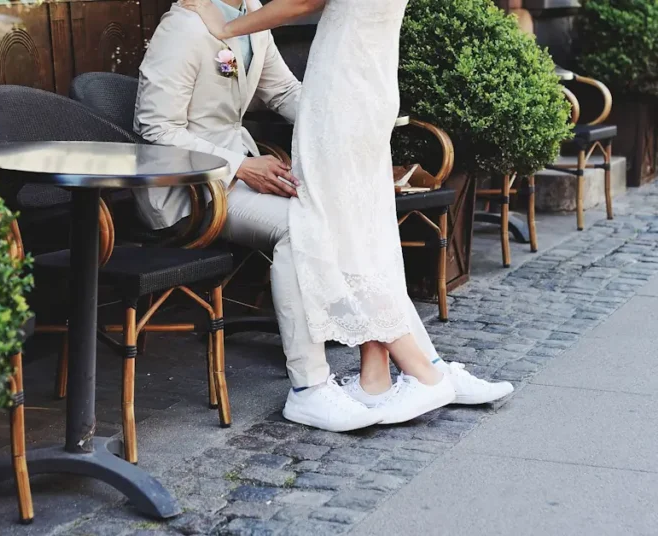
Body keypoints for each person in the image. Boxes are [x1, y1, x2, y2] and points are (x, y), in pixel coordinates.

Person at [137, 0, 512, 432]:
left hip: (242, 174)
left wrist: (345, 126)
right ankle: (311, 389)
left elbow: (284, 93)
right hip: (191, 190)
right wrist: (238, 165)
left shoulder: (249, 15)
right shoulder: (183, 26)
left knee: (347, 226)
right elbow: (155, 129)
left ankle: (426, 367)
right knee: (303, 229)